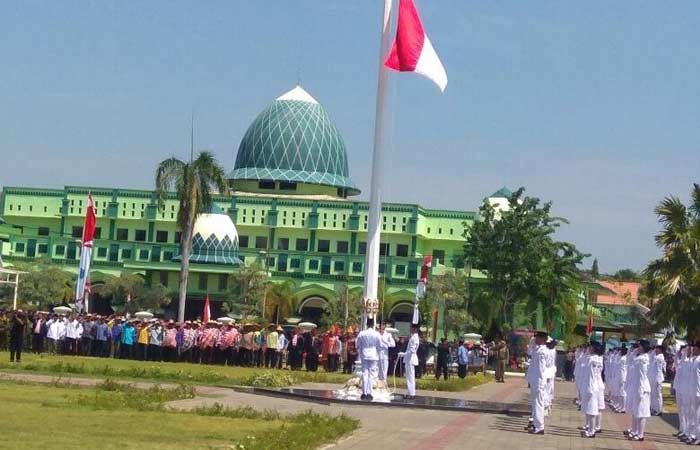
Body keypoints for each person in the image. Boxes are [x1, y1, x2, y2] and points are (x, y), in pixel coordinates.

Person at [624, 340, 651, 442]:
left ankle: (640, 434)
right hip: (636, 387)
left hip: (642, 388)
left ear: (643, 347)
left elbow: (641, 377)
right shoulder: (638, 357)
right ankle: (635, 431)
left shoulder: (643, 359)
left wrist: (640, 390)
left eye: (639, 346)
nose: (637, 347)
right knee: (635, 411)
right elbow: (628, 363)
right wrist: (632, 352)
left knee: (641, 412)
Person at [525, 331, 548, 435]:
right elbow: (529, 352)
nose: (535, 339)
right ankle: (535, 423)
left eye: (537, 338)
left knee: (538, 404)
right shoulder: (537, 349)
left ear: (542, 339)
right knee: (535, 404)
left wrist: (539, 381)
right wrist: (532, 342)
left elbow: (540, 369)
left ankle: (539, 426)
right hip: (535, 380)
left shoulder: (542, 351)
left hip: (538, 380)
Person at [580, 341, 604, 438]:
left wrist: (590, 388)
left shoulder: (594, 360)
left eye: (589, 347)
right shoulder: (593, 358)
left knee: (592, 410)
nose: (588, 348)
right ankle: (590, 428)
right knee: (589, 409)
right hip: (591, 386)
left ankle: (592, 431)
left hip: (592, 387)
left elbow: (593, 376)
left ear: (593, 348)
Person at [355, 318, 382, 400]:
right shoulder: (377, 334)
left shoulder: (362, 333)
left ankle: (364, 392)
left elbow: (358, 344)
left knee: (364, 373)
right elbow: (379, 345)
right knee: (371, 374)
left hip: (364, 353)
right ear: (373, 325)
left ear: (366, 324)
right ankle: (369, 393)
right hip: (373, 354)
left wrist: (361, 349)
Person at [401, 324, 420, 399]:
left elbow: (412, 350)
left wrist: (404, 354)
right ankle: (410, 392)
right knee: (409, 377)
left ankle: (411, 394)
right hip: (410, 359)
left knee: (410, 377)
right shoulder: (414, 337)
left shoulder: (414, 338)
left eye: (411, 328)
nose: (410, 329)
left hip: (410, 359)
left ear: (414, 329)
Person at [649, 345, 666, 416]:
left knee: (658, 395)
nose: (656, 350)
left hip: (658, 378)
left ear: (661, 350)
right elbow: (650, 358)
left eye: (657, 349)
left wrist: (652, 351)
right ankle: (653, 408)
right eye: (655, 349)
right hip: (653, 378)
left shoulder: (660, 357)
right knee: (653, 394)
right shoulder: (655, 356)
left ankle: (659, 410)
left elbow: (653, 357)